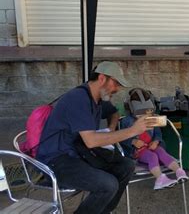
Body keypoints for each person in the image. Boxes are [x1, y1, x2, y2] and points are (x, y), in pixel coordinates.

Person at [36, 61, 153, 214]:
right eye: (116, 83)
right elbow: (91, 141)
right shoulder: (78, 98)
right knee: (108, 185)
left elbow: (114, 112)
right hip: (56, 159)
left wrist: (110, 128)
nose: (117, 89)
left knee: (126, 166)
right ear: (102, 78)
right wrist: (132, 130)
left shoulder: (98, 98)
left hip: (79, 153)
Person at [120, 87, 189, 190]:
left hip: (151, 146)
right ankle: (160, 179)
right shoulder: (126, 121)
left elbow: (157, 133)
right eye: (140, 113)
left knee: (161, 151)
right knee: (153, 156)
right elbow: (121, 138)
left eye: (147, 111)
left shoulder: (153, 118)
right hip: (137, 152)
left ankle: (179, 171)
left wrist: (156, 141)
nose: (144, 115)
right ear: (131, 109)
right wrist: (133, 141)